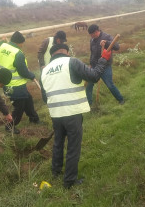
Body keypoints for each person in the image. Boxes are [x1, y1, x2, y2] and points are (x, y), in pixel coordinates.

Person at [41, 43, 111, 189]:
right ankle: (69, 181)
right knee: (73, 146)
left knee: (58, 142)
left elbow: (44, 97)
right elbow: (94, 76)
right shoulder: (71, 62)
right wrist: (103, 59)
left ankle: (56, 171)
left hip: (55, 113)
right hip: (72, 112)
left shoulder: (45, 70)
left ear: (52, 54)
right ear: (65, 51)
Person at [0, 31, 40, 134]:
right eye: (22, 43)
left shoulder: (3, 47)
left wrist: (1, 42)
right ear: (18, 42)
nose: (22, 46)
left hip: (7, 84)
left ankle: (34, 118)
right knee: (19, 108)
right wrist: (31, 75)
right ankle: (10, 126)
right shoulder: (18, 54)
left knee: (28, 99)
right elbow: (23, 71)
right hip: (16, 86)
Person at [86, 24, 125, 105]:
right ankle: (89, 105)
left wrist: (106, 43)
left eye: (92, 35)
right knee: (89, 85)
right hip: (94, 66)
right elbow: (92, 53)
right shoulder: (92, 40)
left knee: (110, 85)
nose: (91, 37)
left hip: (105, 66)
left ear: (96, 32)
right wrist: (90, 64)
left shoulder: (107, 37)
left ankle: (121, 100)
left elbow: (117, 47)